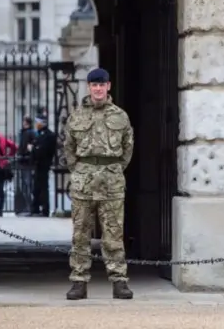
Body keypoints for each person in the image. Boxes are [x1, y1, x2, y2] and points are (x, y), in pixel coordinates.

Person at [64, 68, 134, 300]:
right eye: (94, 85)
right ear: (89, 87)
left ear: (108, 86)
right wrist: (80, 171)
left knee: (113, 233)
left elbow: (127, 148)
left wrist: (112, 169)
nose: (98, 89)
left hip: (111, 180)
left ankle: (119, 281)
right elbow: (68, 148)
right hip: (83, 180)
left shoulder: (120, 116)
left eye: (101, 84)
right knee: (80, 233)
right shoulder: (76, 116)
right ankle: (79, 281)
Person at [29, 114, 57, 217]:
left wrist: (33, 149)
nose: (36, 124)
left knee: (43, 188)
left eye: (38, 122)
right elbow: (37, 147)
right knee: (36, 188)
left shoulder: (49, 135)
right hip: (37, 164)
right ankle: (35, 209)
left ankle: (45, 210)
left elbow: (43, 150)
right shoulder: (39, 134)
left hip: (44, 164)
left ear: (42, 123)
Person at [16, 117, 36, 216]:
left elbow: (31, 146)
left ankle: (31, 207)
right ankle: (28, 206)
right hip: (23, 161)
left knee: (28, 185)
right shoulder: (23, 132)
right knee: (25, 185)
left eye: (24, 121)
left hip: (27, 162)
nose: (23, 123)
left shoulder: (30, 132)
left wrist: (27, 152)